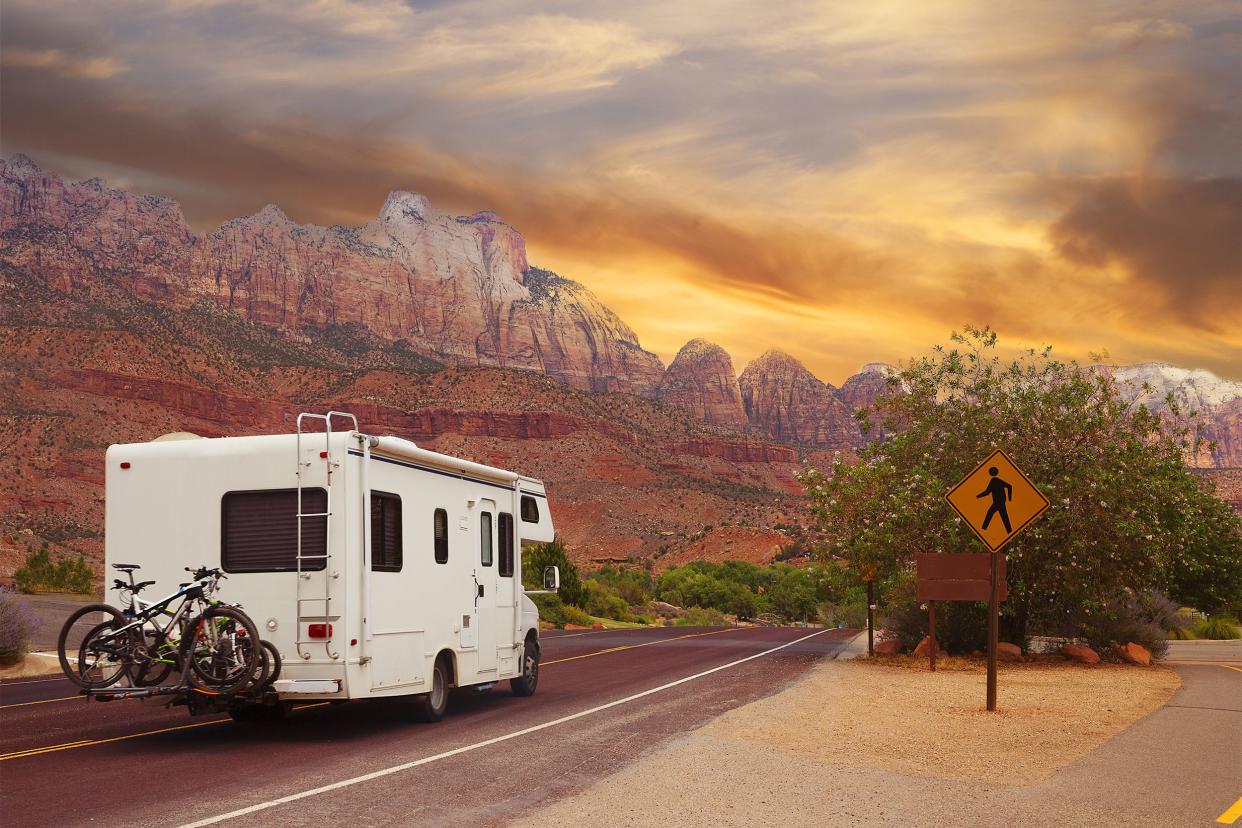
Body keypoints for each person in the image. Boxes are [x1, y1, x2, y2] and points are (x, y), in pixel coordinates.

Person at [976, 466, 1012, 533]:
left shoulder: (994, 481)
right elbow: (1009, 486)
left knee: (990, 513)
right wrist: (1008, 499)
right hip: (1000, 501)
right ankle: (1009, 531)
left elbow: (987, 492)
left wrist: (977, 496)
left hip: (998, 502)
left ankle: (983, 529)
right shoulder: (997, 480)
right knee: (1004, 516)